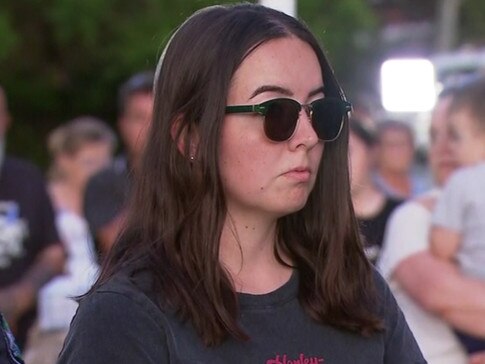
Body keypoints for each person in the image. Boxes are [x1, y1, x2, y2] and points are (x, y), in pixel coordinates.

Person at [58, 4, 425, 363]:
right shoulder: (126, 319)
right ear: (190, 137)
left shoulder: (356, 291)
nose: (308, 137)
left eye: (321, 112)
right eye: (277, 113)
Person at [379, 85, 485, 364]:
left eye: (456, 134)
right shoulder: (413, 216)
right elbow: (445, 296)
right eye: (436, 135)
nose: (445, 148)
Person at [23, 116, 116, 364]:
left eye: (104, 163)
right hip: (52, 321)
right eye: (89, 162)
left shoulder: (99, 205)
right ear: (64, 160)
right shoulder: (43, 202)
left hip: (92, 312)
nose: (98, 171)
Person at [0, 85, 65, 351]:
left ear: (6, 120)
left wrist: (18, 297)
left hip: (23, 340)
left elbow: (54, 253)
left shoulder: (27, 178)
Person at [430, 77, 485, 354]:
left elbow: (442, 248)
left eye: (457, 136)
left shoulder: (463, 182)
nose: (451, 147)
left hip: (474, 307)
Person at [83, 71, 154, 261]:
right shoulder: (104, 181)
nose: (151, 128)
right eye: (140, 118)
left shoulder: (192, 174)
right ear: (123, 125)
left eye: (158, 117)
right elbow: (115, 244)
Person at [349, 117, 403, 264]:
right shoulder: (318, 222)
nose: (340, 164)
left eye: (348, 152)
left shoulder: (402, 214)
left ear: (372, 153)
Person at [373, 120, 430, 199]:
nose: (398, 151)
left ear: (412, 148)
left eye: (403, 144)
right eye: (391, 145)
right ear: (377, 150)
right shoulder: (370, 190)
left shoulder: (426, 186)